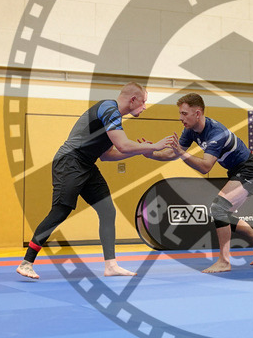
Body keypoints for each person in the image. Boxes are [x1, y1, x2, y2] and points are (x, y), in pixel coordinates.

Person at [17, 82, 174, 280]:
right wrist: (154, 147)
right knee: (60, 211)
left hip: (86, 165)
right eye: (143, 102)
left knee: (107, 210)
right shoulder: (109, 108)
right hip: (70, 161)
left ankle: (111, 265)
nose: (144, 107)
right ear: (132, 100)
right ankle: (26, 262)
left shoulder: (114, 119)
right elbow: (124, 145)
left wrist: (143, 150)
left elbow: (108, 155)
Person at [147, 93, 253, 273]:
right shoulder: (191, 130)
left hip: (249, 171)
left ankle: (224, 261)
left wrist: (182, 154)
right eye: (180, 114)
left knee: (218, 208)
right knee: (222, 212)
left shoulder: (216, 133)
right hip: (236, 172)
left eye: (184, 114)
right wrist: (149, 152)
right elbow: (171, 154)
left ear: (197, 113)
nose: (180, 118)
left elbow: (205, 167)